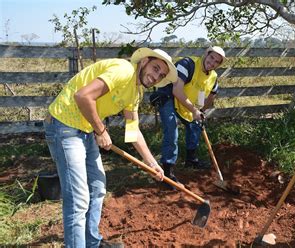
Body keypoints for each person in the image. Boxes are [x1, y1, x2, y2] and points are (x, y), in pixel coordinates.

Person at [44, 47, 177, 248]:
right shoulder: (123, 71)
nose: (156, 76)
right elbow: (83, 96)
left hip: (86, 128)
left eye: (161, 75)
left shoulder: (135, 91)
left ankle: (92, 242)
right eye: (155, 68)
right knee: (78, 199)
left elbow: (133, 132)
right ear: (144, 62)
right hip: (65, 125)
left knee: (97, 188)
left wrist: (152, 164)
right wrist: (101, 130)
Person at [150, 46, 226, 186]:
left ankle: (191, 159)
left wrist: (201, 111)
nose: (212, 62)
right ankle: (168, 170)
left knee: (196, 125)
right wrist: (194, 110)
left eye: (216, 61)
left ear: (219, 65)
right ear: (206, 54)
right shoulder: (187, 64)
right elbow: (177, 90)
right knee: (172, 131)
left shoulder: (213, 77)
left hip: (186, 102)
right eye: (211, 57)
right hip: (169, 97)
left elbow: (211, 97)